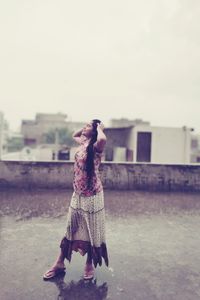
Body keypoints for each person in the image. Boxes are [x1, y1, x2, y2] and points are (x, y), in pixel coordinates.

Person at [43, 119, 109, 280]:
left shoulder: (96, 146)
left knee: (91, 230)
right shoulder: (84, 141)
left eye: (87, 126)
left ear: (94, 131)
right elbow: (74, 134)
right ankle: (59, 262)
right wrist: (86, 128)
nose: (84, 128)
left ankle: (89, 264)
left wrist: (98, 128)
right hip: (78, 193)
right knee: (70, 227)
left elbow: (102, 139)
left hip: (93, 195)